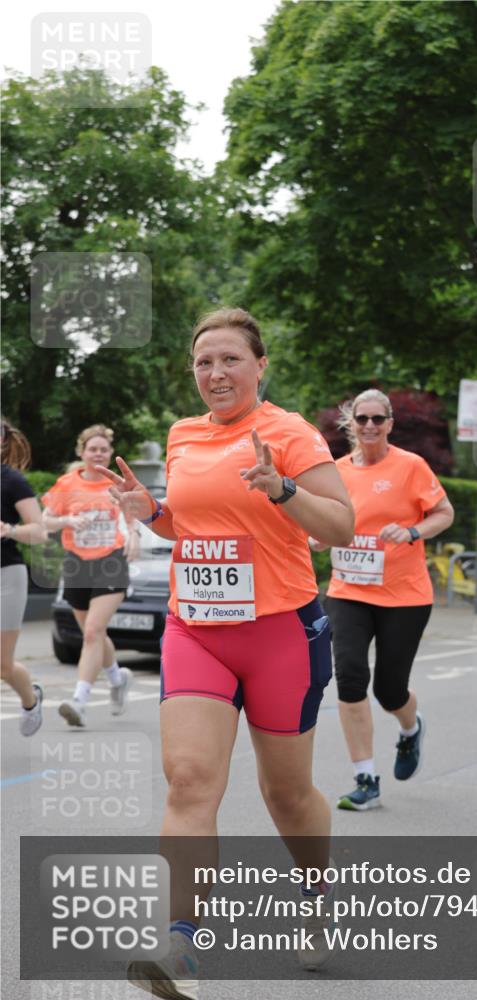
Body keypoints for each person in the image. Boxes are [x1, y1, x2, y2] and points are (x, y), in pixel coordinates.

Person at [97, 308, 354, 997]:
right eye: (203, 361)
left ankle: (316, 895)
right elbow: (196, 525)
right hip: (196, 629)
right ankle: (180, 948)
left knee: (287, 794)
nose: (215, 373)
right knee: (188, 780)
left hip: (279, 634)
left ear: (260, 365)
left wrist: (285, 489)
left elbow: (341, 523)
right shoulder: (182, 435)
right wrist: (149, 513)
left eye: (230, 359)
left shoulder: (288, 433)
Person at [311, 389, 454, 811]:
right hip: (348, 591)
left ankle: (410, 730)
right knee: (351, 678)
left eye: (378, 418)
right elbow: (325, 522)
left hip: (404, 596)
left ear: (390, 423)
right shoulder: (335, 472)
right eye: (362, 418)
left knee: (390, 690)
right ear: (350, 423)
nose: (369, 425)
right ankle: (365, 779)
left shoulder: (411, 466)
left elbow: (443, 513)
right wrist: (319, 538)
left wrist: (412, 532)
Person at [42, 424, 139, 727]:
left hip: (111, 561)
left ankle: (79, 702)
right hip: (77, 564)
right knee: (92, 634)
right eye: (92, 449)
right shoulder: (67, 483)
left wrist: (134, 534)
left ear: (110, 453)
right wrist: (68, 519)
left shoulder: (117, 483)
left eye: (104, 449)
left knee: (94, 631)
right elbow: (47, 520)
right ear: (81, 452)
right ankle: (117, 678)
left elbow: (134, 513)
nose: (98, 454)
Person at [1, 419, 47, 736]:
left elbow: (39, 531)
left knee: (2, 664)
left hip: (7, 575)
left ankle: (30, 699)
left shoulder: (13, 482)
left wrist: (10, 530)